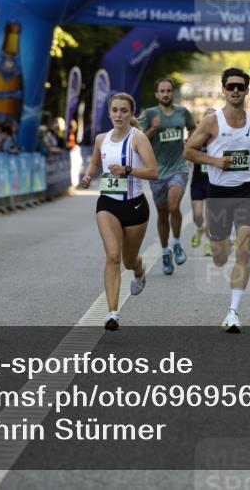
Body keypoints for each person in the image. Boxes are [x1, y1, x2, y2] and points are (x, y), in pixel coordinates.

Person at [183, 68, 250, 333]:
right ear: (223, 89)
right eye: (231, 86)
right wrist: (214, 161)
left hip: (247, 191)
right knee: (220, 258)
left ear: (246, 90)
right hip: (218, 194)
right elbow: (188, 151)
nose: (235, 91)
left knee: (244, 249)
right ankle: (220, 243)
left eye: (240, 87)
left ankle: (233, 312)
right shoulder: (212, 122)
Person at [78, 93, 158, 330]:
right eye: (115, 110)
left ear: (131, 114)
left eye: (124, 111)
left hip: (134, 205)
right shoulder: (101, 139)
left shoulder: (138, 138)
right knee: (113, 256)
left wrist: (127, 169)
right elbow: (95, 162)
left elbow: (154, 172)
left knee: (129, 259)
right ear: (110, 112)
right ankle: (112, 312)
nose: (119, 115)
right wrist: (88, 175)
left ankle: (139, 270)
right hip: (108, 204)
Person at [140, 78, 197, 275]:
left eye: (169, 91)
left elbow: (194, 128)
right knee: (163, 214)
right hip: (157, 172)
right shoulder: (149, 114)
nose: (165, 94)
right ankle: (165, 252)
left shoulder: (182, 112)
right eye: (162, 91)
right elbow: (138, 140)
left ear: (173, 93)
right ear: (157, 94)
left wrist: (190, 142)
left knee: (174, 206)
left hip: (179, 167)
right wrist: (152, 129)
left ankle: (177, 243)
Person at [189, 108, 214, 255]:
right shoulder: (196, 136)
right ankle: (199, 228)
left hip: (214, 181)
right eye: (207, 117)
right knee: (198, 215)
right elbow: (187, 154)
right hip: (198, 181)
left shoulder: (220, 137)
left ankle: (208, 243)